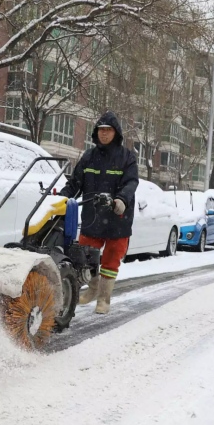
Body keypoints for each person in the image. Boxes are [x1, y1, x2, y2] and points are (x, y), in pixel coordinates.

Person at [59, 111, 138, 314]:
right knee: (86, 258)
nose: (104, 133)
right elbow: (75, 183)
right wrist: (61, 198)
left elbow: (131, 182)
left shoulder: (127, 157)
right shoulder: (89, 157)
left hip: (117, 218)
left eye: (108, 130)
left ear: (115, 132)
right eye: (101, 130)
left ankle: (104, 299)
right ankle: (93, 288)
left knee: (111, 261)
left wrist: (121, 199)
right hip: (93, 217)